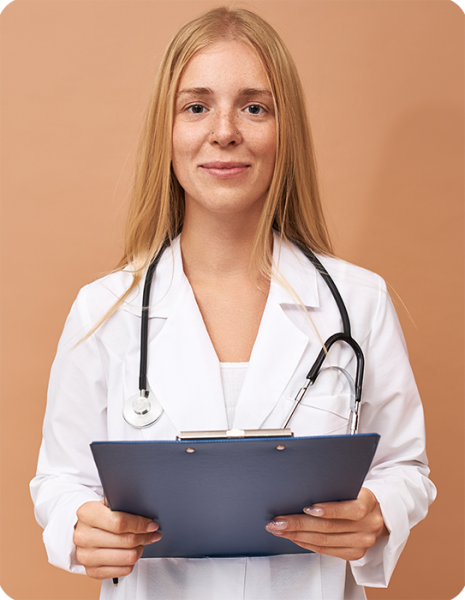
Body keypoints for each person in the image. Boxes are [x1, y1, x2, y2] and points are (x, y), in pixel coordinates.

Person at [30, 7, 436, 600]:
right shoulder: (104, 312)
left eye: (254, 106)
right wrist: (77, 527)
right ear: (165, 131)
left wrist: (380, 512)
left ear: (284, 129)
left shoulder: (359, 302)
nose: (224, 131)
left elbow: (406, 470)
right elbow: (60, 479)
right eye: (196, 106)